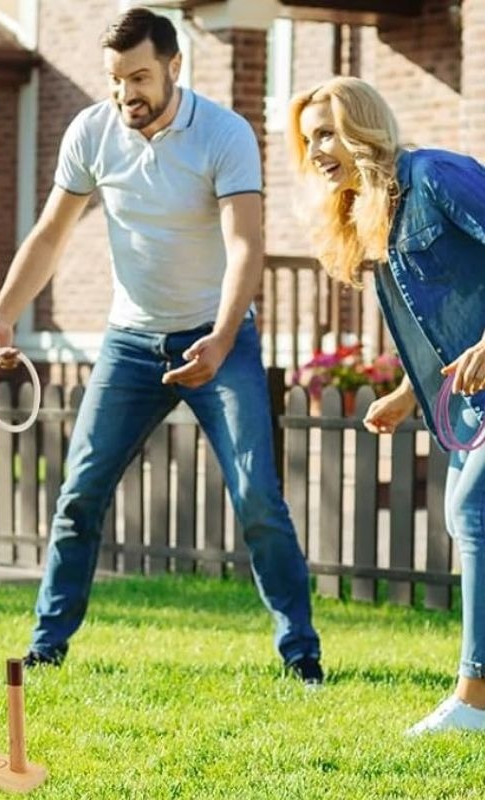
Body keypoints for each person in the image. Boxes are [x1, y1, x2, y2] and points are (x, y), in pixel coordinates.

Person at [0, 7, 323, 683]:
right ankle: (47, 646)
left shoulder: (224, 134)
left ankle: (301, 654)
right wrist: (3, 314)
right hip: (131, 341)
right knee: (79, 493)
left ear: (173, 67)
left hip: (219, 340)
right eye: (114, 79)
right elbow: (50, 233)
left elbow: (246, 244)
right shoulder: (93, 131)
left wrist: (221, 339)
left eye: (138, 76)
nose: (125, 93)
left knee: (256, 497)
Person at [288, 75, 485, 734]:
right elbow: (442, 318)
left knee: (473, 512)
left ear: (364, 127)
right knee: (468, 524)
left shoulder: (434, 175)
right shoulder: (376, 210)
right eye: (309, 138)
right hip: (470, 402)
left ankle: (474, 702)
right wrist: (408, 392)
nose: (316, 149)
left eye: (327, 133)